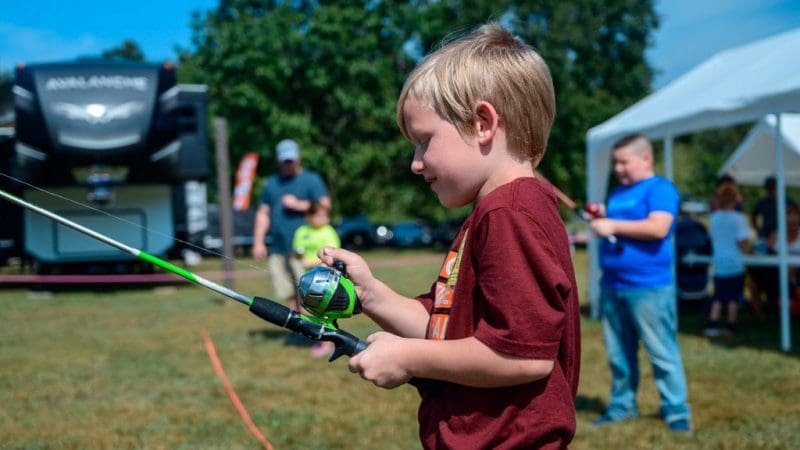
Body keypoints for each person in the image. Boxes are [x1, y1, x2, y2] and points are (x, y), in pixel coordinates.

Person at [316, 23, 580, 449]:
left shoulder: (509, 213)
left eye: (424, 141)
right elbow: (447, 331)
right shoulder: (495, 212)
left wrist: (407, 357)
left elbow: (522, 355)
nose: (415, 163)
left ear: (482, 123)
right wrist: (371, 294)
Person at [589, 133, 692, 433]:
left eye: (624, 162)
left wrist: (612, 224)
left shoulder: (661, 189)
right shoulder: (618, 193)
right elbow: (621, 223)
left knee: (661, 352)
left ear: (646, 159)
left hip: (649, 287)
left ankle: (676, 411)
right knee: (619, 353)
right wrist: (603, 215)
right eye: (615, 163)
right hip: (613, 283)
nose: (618, 169)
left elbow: (658, 228)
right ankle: (622, 407)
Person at [252, 139, 331, 317]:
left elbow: (325, 206)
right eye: (285, 161)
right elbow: (263, 213)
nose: (288, 164)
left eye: (291, 160)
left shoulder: (311, 180)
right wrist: (258, 242)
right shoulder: (271, 183)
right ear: (278, 161)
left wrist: (299, 205)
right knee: (288, 292)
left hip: (304, 251)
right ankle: (297, 326)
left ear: (298, 158)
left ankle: (311, 326)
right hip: (278, 247)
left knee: (308, 292)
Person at [292, 201, 341, 358]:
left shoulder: (329, 232)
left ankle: (327, 343)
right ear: (309, 216)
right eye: (318, 215)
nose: (322, 219)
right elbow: (297, 251)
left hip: (325, 278)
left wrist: (310, 262)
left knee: (324, 311)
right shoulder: (302, 231)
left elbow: (332, 255)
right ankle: (319, 339)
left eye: (324, 215)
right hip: (307, 279)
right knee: (306, 310)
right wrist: (298, 256)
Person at [703, 183, 751, 337]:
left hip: (719, 262)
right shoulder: (739, 218)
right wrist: (750, 251)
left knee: (719, 295)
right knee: (733, 297)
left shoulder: (714, 218)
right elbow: (741, 242)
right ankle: (731, 325)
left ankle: (713, 323)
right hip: (735, 262)